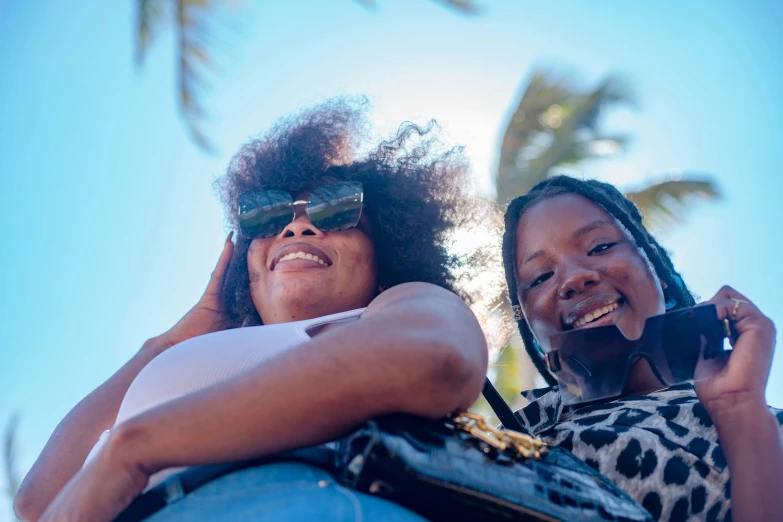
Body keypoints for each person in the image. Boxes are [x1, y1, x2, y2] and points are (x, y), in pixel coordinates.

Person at [14, 99, 490, 522]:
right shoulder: (197, 351)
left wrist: (135, 449)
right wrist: (170, 343)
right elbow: (38, 504)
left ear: (384, 256)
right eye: (269, 217)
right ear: (247, 269)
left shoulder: (395, 306)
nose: (297, 228)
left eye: (337, 210)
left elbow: (437, 358)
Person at [502, 175, 783, 522]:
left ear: (657, 268)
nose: (575, 277)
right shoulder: (505, 444)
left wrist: (739, 409)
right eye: (541, 277)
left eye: (600, 247)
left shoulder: (771, 425)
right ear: (531, 333)